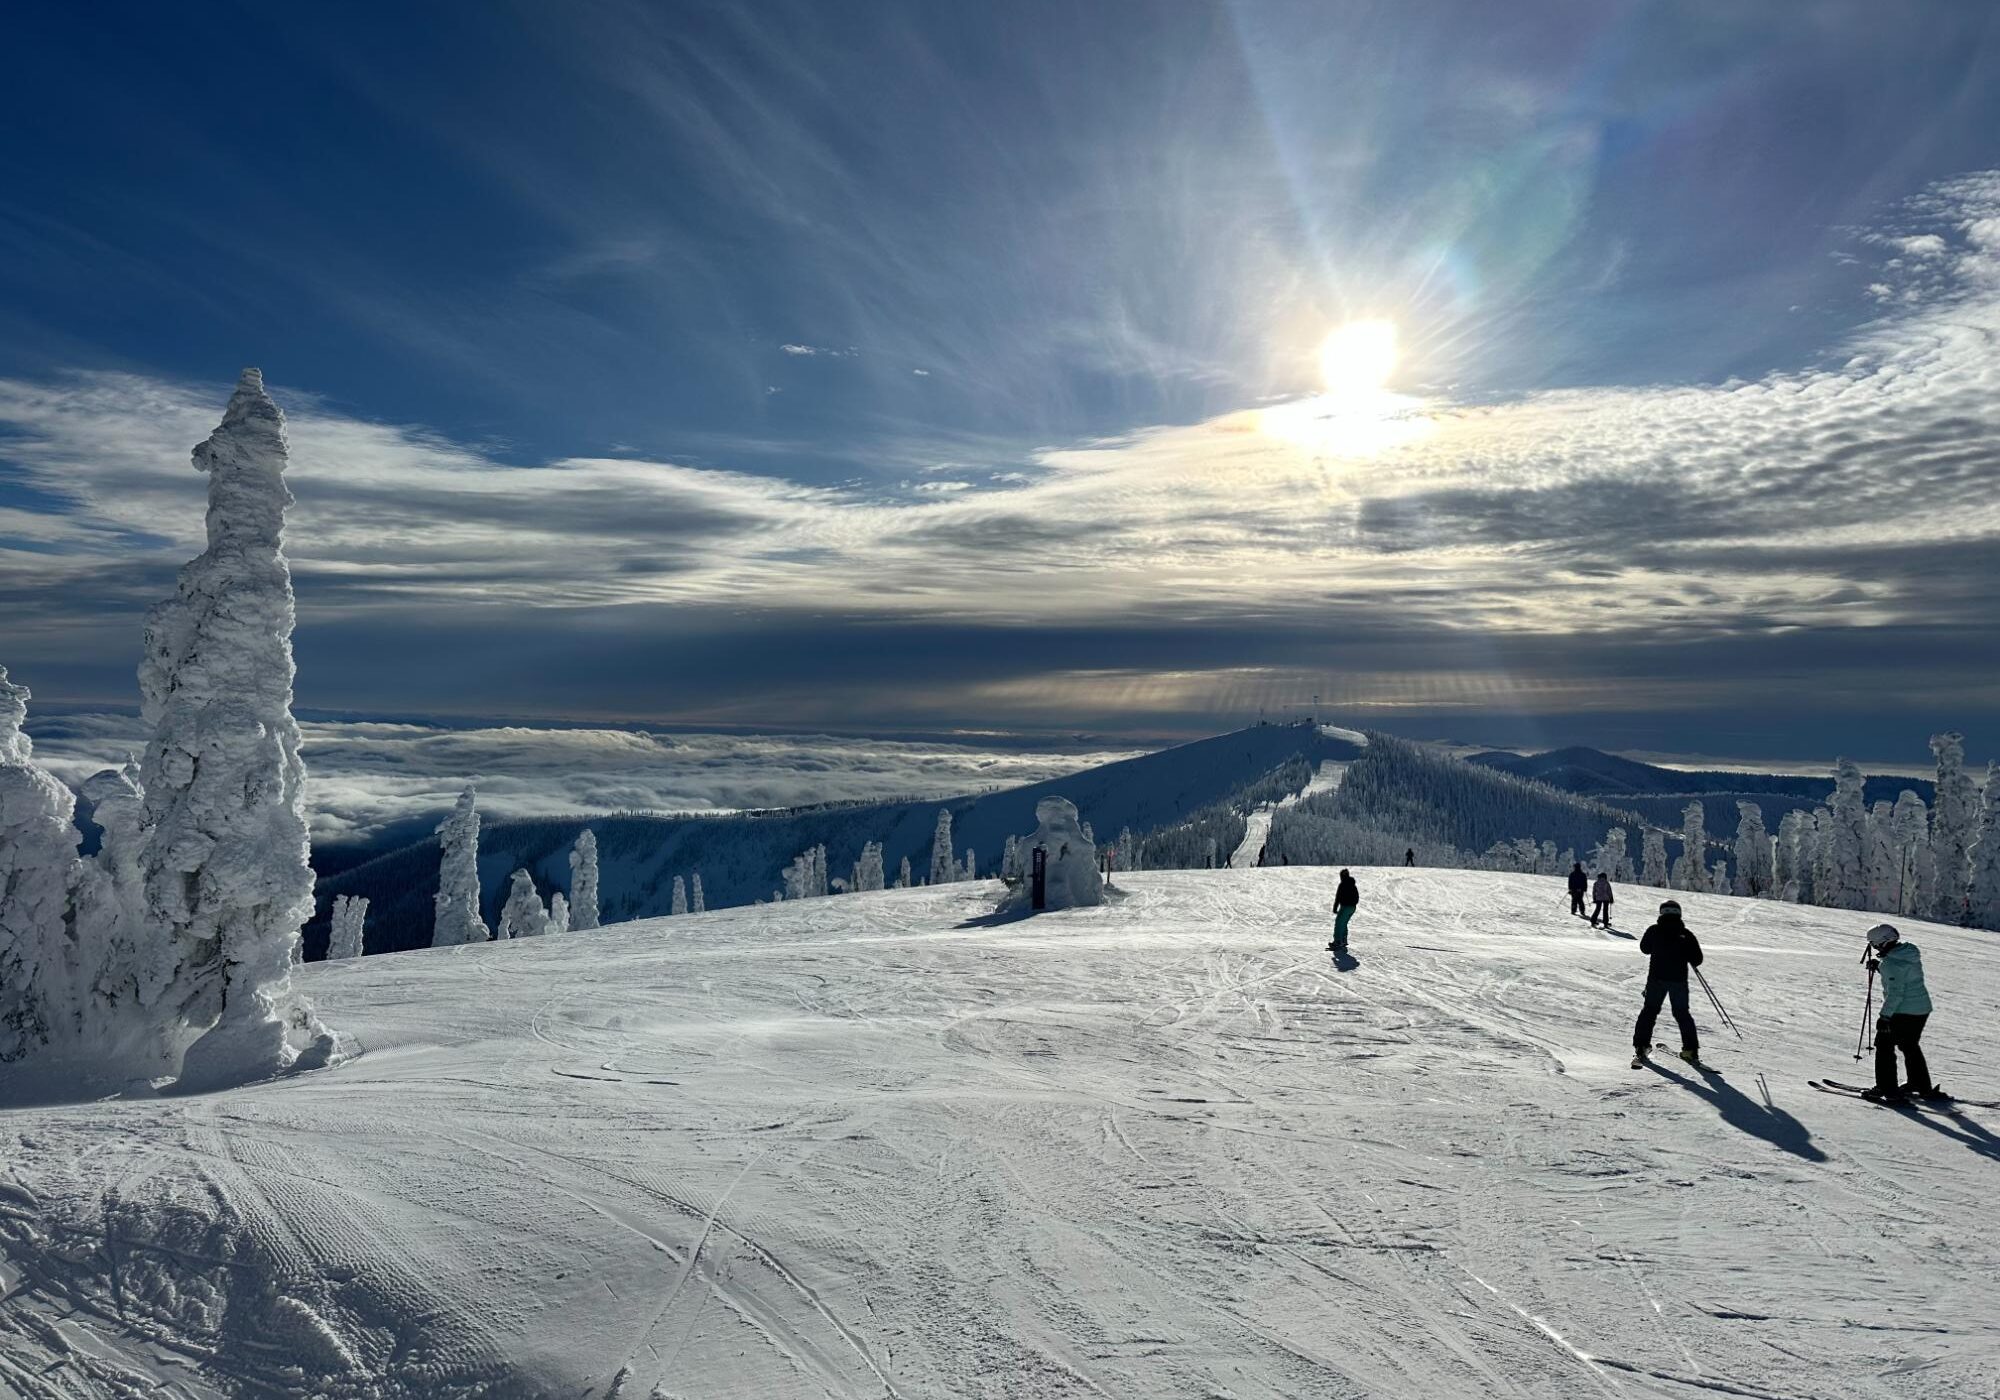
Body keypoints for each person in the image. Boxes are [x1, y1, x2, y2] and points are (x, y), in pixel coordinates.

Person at [1864, 923, 1940, 1102]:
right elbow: (1901, 972)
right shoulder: (1908, 952)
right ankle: (1920, 1085)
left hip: (1903, 1011)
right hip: (1921, 1008)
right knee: (1909, 1045)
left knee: (1884, 1046)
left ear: (1883, 943)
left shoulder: (1891, 963)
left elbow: (1896, 993)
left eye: (1874, 945)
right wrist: (1881, 966)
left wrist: (1884, 1017)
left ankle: (1887, 1089)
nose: (1874, 948)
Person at [1631, 899, 1702, 1068]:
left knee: (1649, 1012)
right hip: (1678, 981)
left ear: (1662, 913)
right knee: (1682, 1014)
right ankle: (1690, 1051)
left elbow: (1644, 948)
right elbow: (1697, 959)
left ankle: (1641, 1047)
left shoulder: (1654, 930)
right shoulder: (1686, 934)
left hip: (1656, 979)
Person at [1329, 869, 1360, 955]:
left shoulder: (1342, 884)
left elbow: (1338, 897)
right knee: (1344, 923)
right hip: (1352, 908)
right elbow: (1357, 897)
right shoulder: (1353, 884)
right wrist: (1353, 904)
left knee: (1339, 923)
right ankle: (1343, 939)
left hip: (1345, 907)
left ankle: (1338, 941)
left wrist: (1335, 908)